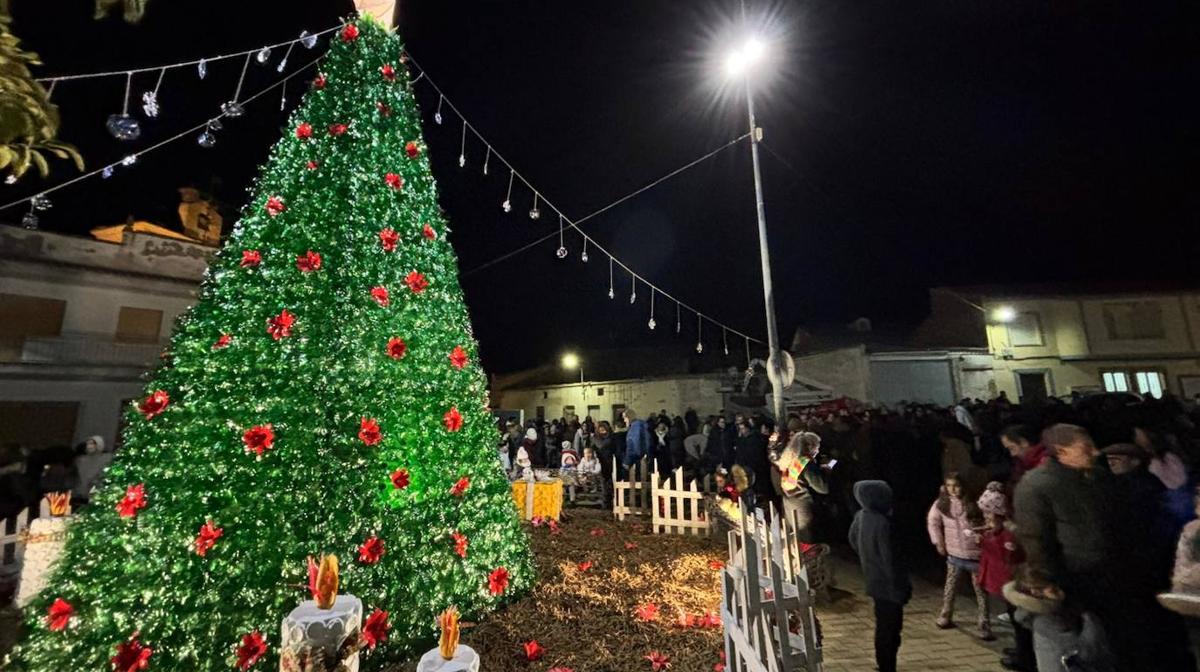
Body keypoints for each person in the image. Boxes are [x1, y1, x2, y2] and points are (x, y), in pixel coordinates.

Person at [849, 480, 911, 672]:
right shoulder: (883, 523)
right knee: (891, 629)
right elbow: (890, 558)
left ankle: (882, 662)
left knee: (882, 625)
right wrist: (900, 587)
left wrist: (866, 557)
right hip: (889, 586)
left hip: (873, 580)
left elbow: (852, 539)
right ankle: (887, 665)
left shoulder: (861, 516)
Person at [927, 472, 991, 639]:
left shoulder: (974, 503)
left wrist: (982, 536)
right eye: (949, 486)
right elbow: (933, 522)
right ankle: (946, 613)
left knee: (980, 589)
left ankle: (984, 620)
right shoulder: (942, 504)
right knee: (951, 585)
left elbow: (988, 522)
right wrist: (938, 542)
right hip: (954, 553)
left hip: (975, 554)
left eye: (956, 485)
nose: (952, 489)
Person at [976, 482, 1030, 671]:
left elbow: (1006, 556)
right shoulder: (996, 530)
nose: (986, 517)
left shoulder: (1008, 534)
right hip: (1005, 582)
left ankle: (1025, 657)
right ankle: (1020, 649)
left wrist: (985, 541)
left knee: (1020, 619)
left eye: (989, 513)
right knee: (1014, 618)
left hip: (1012, 580)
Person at [770, 423, 830, 543]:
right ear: (808, 447)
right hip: (805, 510)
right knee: (808, 543)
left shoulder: (787, 460)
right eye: (816, 447)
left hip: (789, 507)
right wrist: (827, 469)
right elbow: (822, 488)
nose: (817, 451)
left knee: (795, 541)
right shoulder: (805, 463)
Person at [73, 435, 112, 504]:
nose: (89, 446)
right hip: (78, 493)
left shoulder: (105, 460)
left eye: (92, 444)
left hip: (94, 494)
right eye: (88, 444)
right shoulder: (81, 460)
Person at [622, 409, 651, 476]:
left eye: (625, 418)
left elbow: (632, 445)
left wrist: (627, 461)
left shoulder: (634, 428)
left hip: (636, 460)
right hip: (644, 459)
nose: (624, 420)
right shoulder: (642, 426)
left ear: (629, 417)